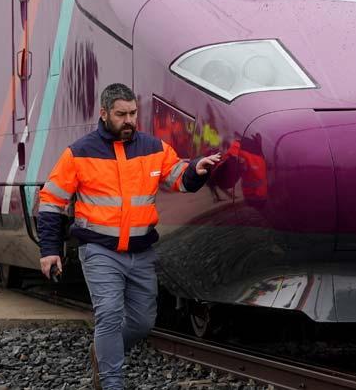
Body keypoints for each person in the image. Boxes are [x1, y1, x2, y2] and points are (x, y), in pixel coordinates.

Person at [36, 83, 221, 390]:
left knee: (142, 322)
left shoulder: (154, 148)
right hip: (99, 250)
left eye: (133, 113)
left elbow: (178, 178)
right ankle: (111, 383)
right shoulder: (78, 153)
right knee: (108, 313)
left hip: (140, 252)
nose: (129, 120)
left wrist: (196, 170)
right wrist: (49, 250)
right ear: (104, 113)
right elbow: (51, 201)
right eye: (121, 114)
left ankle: (103, 350)